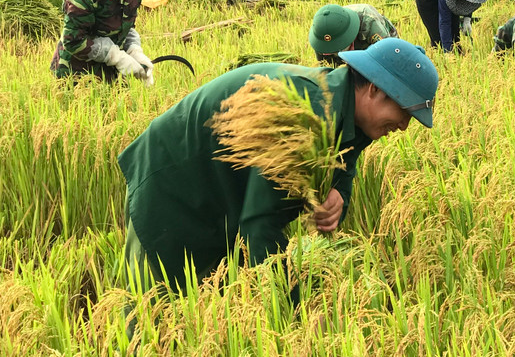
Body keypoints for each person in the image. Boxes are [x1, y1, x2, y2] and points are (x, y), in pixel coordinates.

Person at [118, 38, 439, 293]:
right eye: (404, 112)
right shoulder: (307, 117)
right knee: (155, 304)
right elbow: (261, 227)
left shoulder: (348, 109)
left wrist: (339, 193)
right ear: (374, 89)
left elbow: (347, 156)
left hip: (222, 189)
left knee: (213, 293)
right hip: (170, 182)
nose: (403, 126)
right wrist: (293, 312)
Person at [309, 3, 399, 66]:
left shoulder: (370, 23)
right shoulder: (321, 33)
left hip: (375, 44)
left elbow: (389, 55)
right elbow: (324, 68)